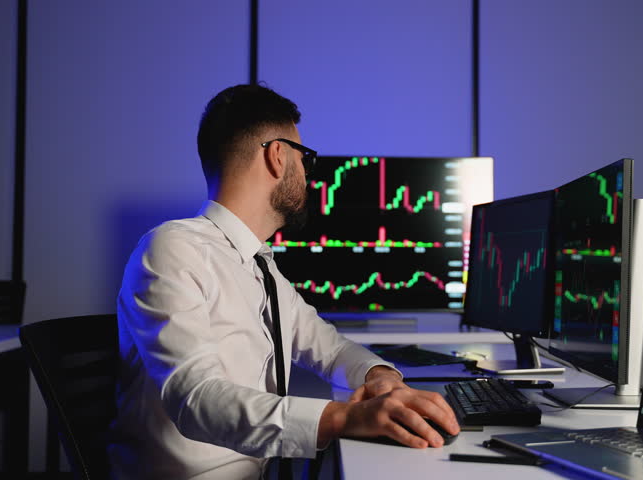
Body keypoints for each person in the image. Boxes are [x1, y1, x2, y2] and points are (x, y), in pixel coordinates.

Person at [108, 84, 459, 479]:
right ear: (277, 156)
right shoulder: (174, 248)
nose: (309, 175)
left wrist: (382, 378)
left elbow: (329, 347)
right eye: (303, 158)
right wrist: (346, 417)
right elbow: (197, 399)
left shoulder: (262, 267)